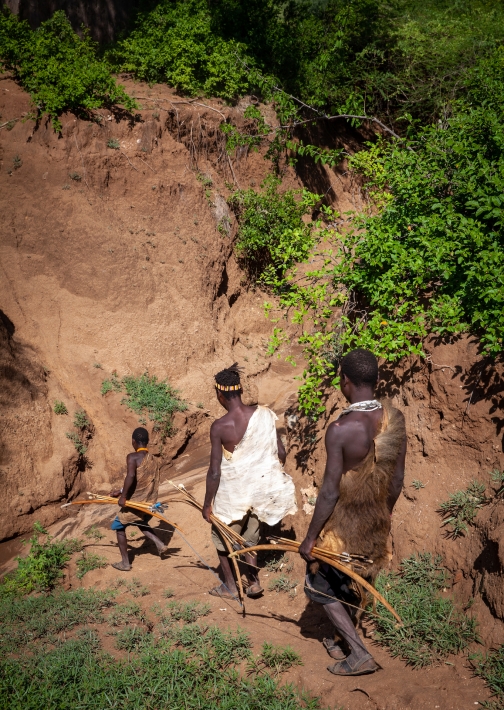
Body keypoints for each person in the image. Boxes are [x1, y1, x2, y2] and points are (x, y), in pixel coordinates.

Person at [299, 348, 407, 676]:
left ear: (345, 381)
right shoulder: (395, 419)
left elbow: (330, 491)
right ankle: (339, 637)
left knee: (318, 582)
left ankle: (358, 653)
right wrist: (385, 514)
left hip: (344, 524)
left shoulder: (341, 429)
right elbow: (397, 478)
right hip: (376, 520)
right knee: (353, 578)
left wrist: (310, 537)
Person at [202, 363, 297, 599]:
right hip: (261, 490)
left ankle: (230, 586)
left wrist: (207, 504)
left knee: (223, 537)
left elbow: (215, 471)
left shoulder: (220, 427)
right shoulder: (264, 415)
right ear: (241, 390)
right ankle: (254, 582)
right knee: (250, 538)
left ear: (219, 394)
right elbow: (281, 453)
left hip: (231, 497)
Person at [110, 427, 168, 571]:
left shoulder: (132, 457)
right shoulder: (154, 460)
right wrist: (120, 491)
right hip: (148, 503)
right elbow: (140, 482)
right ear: (147, 441)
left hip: (134, 503)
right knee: (140, 520)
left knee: (119, 526)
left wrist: (123, 497)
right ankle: (159, 543)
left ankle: (125, 563)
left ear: (133, 441)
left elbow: (131, 477)